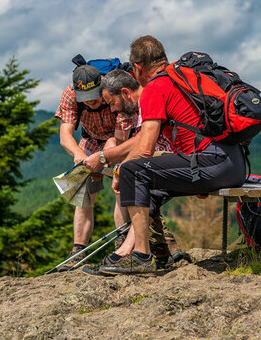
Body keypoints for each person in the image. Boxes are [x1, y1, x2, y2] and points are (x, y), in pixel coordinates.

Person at [97, 35, 247, 275]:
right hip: (234, 164)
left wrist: (118, 169)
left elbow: (145, 148)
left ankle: (142, 256)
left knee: (131, 171)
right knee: (152, 187)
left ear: (136, 68)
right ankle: (127, 250)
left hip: (210, 163)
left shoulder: (156, 87)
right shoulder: (183, 78)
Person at [83, 69, 186, 266]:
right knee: (133, 173)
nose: (113, 111)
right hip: (171, 159)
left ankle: (134, 249)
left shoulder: (148, 98)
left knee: (134, 173)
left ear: (124, 93)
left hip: (179, 159)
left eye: (112, 103)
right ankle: (159, 251)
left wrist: (109, 160)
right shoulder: (141, 104)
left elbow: (144, 143)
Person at [54, 64, 134, 271]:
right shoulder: (69, 94)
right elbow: (65, 136)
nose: (91, 101)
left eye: (95, 95)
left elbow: (120, 137)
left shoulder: (114, 89)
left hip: (118, 141)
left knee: (120, 187)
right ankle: (78, 250)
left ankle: (122, 242)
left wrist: (106, 155)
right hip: (89, 140)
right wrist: (80, 156)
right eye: (85, 97)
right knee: (84, 195)